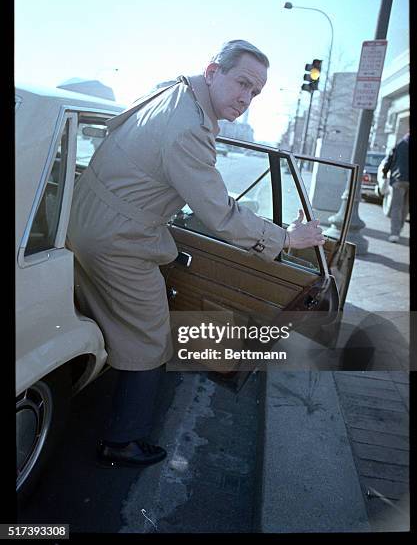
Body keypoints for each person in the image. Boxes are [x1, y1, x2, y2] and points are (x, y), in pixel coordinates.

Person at [66, 40, 325, 468]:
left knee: (108, 313)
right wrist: (287, 239)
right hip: (119, 241)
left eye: (255, 92)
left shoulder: (173, 92)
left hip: (85, 217)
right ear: (212, 71)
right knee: (150, 337)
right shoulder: (189, 128)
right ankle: (122, 441)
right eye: (242, 83)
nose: (246, 97)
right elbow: (220, 214)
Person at [382, 132, 409, 242]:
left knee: (396, 207)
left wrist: (385, 172)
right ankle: (399, 229)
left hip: (399, 179)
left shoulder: (400, 144)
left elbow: (390, 159)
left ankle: (395, 233)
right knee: (405, 207)